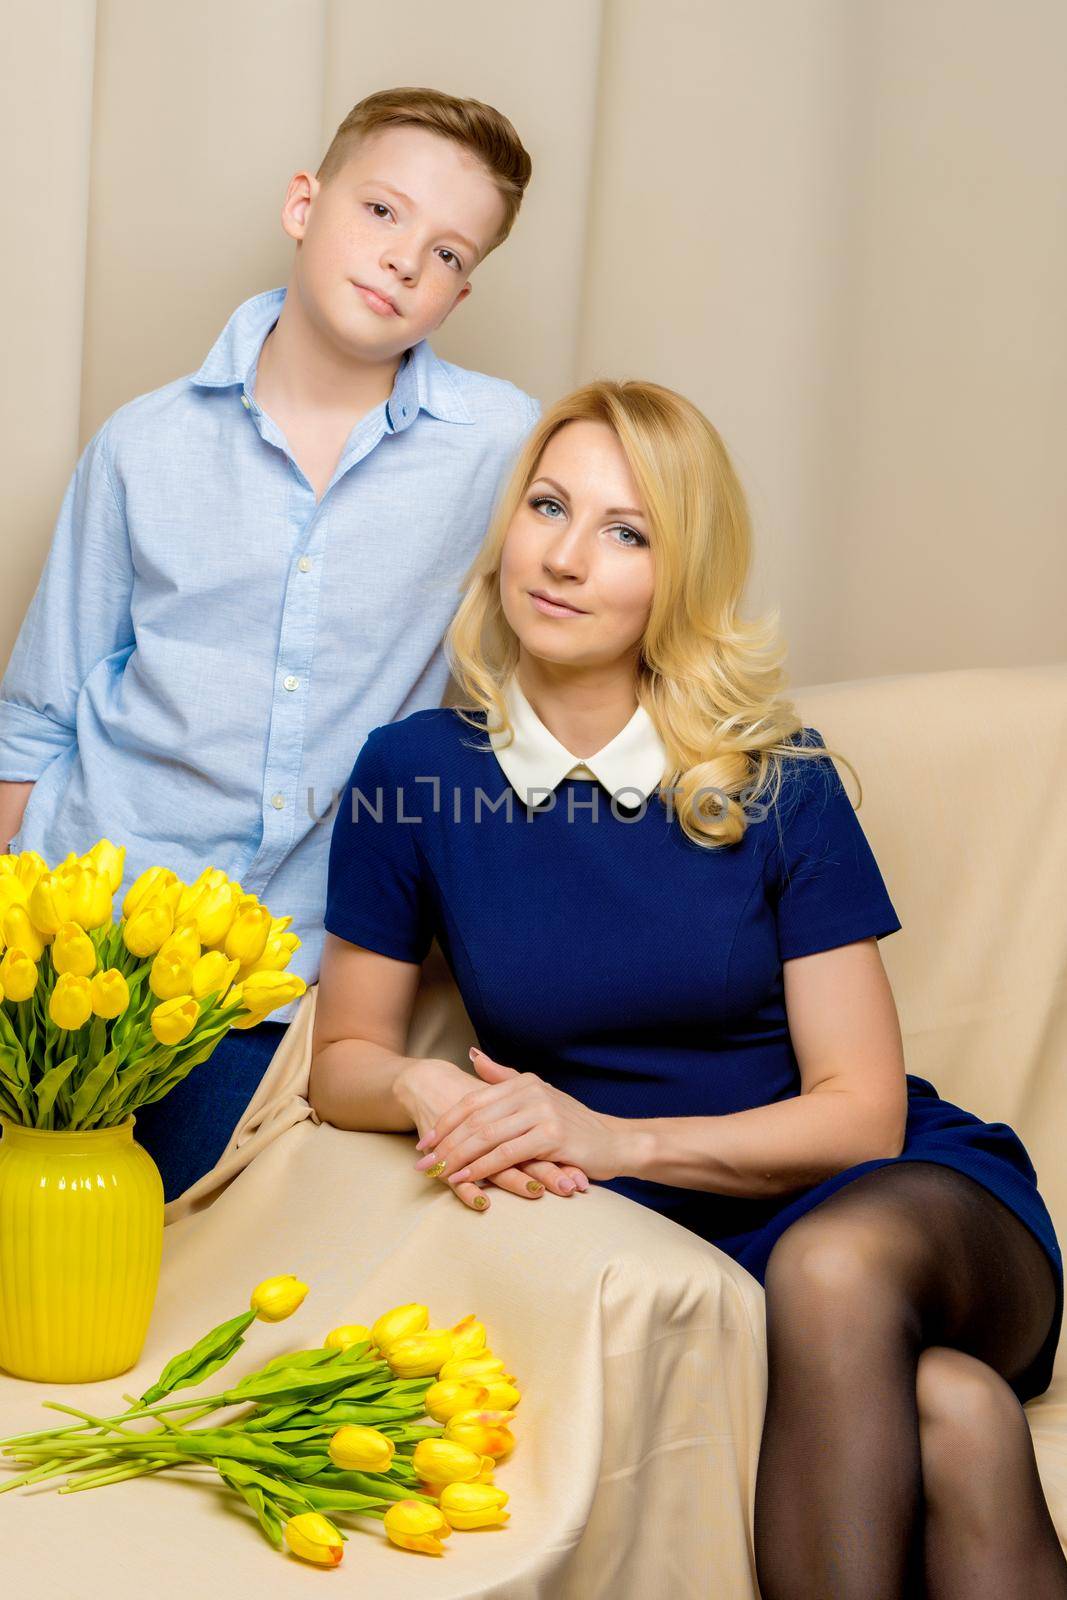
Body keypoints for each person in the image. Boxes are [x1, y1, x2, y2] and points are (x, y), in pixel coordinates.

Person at [310, 378, 1067, 1597]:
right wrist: (424, 1088)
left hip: (897, 1213)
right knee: (953, 1414)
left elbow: (859, 1113)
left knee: (832, 1273)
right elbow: (341, 1053)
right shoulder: (412, 777)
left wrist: (611, 1137)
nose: (564, 557)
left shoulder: (776, 778)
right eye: (546, 506)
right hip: (680, 1253)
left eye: (626, 531)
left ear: (678, 572)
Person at [0, 86, 544, 1204]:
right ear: (305, 203)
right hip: (76, 922)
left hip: (278, 978)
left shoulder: (503, 449)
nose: (402, 261)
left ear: (462, 288)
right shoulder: (140, 447)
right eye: (381, 213)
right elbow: (37, 714)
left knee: (160, 1237)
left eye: (444, 251)